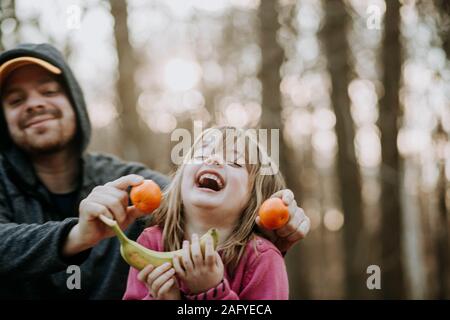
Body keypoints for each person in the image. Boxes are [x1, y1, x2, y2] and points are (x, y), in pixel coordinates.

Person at [0, 43, 310, 299]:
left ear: (75, 103)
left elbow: (184, 198)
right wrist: (75, 235)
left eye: (49, 91)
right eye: (16, 99)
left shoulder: (124, 182)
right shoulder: (150, 240)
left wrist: (275, 223)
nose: (34, 104)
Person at [123, 127, 292, 300]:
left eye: (235, 162)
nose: (214, 159)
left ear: (255, 199)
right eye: (201, 155)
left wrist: (211, 292)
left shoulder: (263, 258)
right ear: (180, 181)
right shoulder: (150, 243)